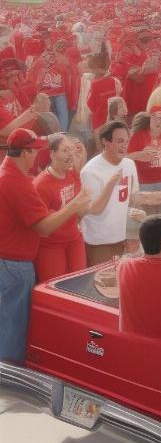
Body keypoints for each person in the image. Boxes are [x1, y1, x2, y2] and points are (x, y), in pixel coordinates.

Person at [0, 128, 90, 361]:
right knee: (14, 327)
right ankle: (10, 383)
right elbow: (44, 227)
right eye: (35, 150)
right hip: (15, 264)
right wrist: (73, 205)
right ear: (25, 153)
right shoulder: (18, 182)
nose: (37, 155)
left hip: (8, 261)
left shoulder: (7, 173)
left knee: (8, 321)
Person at [80, 121, 161, 266]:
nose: (125, 145)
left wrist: (149, 197)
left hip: (121, 239)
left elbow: (131, 198)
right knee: (99, 285)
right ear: (105, 142)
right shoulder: (90, 171)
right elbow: (94, 209)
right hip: (99, 242)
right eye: (119, 141)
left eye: (126, 141)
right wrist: (111, 185)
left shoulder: (129, 165)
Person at [33, 134, 87, 281]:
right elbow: (42, 227)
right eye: (65, 150)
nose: (70, 154)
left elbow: (80, 209)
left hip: (74, 239)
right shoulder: (40, 185)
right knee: (55, 288)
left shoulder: (72, 173)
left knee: (80, 284)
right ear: (52, 154)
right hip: (51, 245)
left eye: (71, 149)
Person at [127, 105, 161, 212]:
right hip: (144, 182)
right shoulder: (138, 136)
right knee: (149, 215)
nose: (158, 120)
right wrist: (141, 154)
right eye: (155, 117)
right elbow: (126, 157)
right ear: (150, 118)